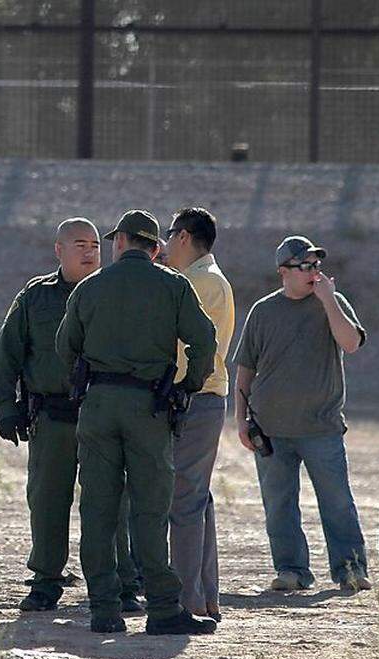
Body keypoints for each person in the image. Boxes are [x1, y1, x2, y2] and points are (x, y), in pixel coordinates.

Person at [55, 210, 218, 635]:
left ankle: (103, 610)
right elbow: (205, 341)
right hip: (149, 407)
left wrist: (85, 380)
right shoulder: (174, 285)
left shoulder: (90, 287)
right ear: (156, 247)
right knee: (150, 509)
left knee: (98, 509)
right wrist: (187, 386)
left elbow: (65, 346)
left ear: (122, 242)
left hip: (98, 406)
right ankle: (163, 609)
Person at [0, 217, 142, 614]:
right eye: (80, 244)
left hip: (103, 417)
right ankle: (45, 582)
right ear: (59, 250)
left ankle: (119, 584)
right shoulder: (35, 298)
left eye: (95, 244)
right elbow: (7, 355)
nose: (90, 251)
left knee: (110, 503)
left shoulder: (116, 292)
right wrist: (7, 408)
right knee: (47, 502)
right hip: (52, 418)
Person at [233, 235, 371, 592]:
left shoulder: (333, 302)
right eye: (305, 266)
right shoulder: (263, 311)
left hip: (321, 427)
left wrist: (328, 301)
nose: (313, 272)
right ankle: (292, 570)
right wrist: (241, 420)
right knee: (279, 507)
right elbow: (245, 369)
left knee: (337, 502)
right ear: (284, 271)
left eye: (316, 265)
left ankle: (350, 570)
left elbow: (351, 343)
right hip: (271, 428)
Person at [162, 208, 235, 621]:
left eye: (172, 235)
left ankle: (187, 598)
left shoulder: (200, 282)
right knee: (196, 499)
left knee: (184, 503)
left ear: (186, 237)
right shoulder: (203, 279)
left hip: (195, 397)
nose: (168, 243)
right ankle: (205, 597)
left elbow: (183, 346)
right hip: (204, 398)